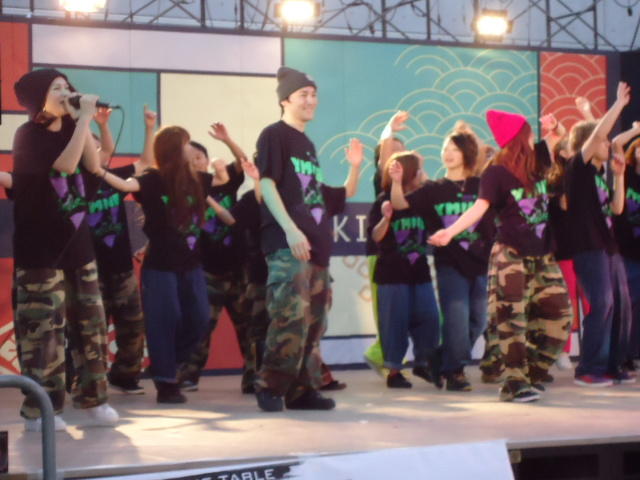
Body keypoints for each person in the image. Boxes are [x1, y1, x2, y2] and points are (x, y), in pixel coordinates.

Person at [430, 109, 572, 403]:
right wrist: (450, 232)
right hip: (511, 254)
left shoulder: (537, 160)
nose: (533, 137)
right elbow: (479, 208)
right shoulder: (495, 172)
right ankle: (513, 383)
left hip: (543, 256)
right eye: (528, 133)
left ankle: (531, 374)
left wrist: (556, 126)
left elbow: (560, 137)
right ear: (518, 138)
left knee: (560, 316)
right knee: (511, 321)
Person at [11, 69, 119, 431]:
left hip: (78, 244)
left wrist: (80, 121)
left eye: (66, 86)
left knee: (92, 325)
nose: (64, 91)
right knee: (44, 332)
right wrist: (83, 119)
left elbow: (92, 165)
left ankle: (94, 399)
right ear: (37, 99)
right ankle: (41, 409)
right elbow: (64, 167)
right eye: (55, 88)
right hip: (40, 248)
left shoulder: (75, 128)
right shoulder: (27, 135)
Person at [253, 66, 362, 412]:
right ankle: (270, 387)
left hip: (317, 249)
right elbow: (267, 182)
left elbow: (336, 194)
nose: (311, 100)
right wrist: (289, 228)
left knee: (314, 324)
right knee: (289, 318)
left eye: (314, 95)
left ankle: (302, 390)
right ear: (285, 100)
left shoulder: (307, 145)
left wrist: (355, 166)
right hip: (289, 246)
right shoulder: (274, 135)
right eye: (304, 95)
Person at [93, 125, 213, 403]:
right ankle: (166, 382)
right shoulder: (152, 179)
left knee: (200, 318)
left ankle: (168, 363)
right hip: (160, 266)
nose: (191, 148)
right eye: (185, 143)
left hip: (192, 265)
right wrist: (97, 169)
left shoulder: (200, 180)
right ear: (173, 148)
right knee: (164, 320)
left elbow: (227, 180)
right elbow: (126, 185)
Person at [390, 130, 495, 391]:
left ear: (467, 153)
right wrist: (396, 182)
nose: (448, 153)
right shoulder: (433, 189)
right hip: (450, 264)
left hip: (482, 262)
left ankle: (439, 357)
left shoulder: (481, 185)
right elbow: (399, 204)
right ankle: (455, 372)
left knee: (479, 319)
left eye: (454, 149)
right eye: (445, 148)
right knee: (456, 317)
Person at [566, 82, 633, 386]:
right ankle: (588, 368)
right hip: (588, 247)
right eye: (604, 141)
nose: (608, 145)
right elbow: (596, 135)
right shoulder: (577, 169)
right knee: (602, 303)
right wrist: (618, 105)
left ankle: (611, 365)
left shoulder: (598, 176)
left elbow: (617, 208)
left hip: (608, 247)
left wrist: (619, 177)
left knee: (619, 306)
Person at [86, 105, 156, 394]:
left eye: (98, 146)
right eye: (90, 147)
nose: (97, 151)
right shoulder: (73, 183)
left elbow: (146, 163)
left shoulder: (113, 178)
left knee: (132, 325)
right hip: (89, 270)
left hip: (122, 267)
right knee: (93, 329)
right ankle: (89, 381)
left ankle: (125, 376)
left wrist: (149, 128)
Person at [369, 152, 440, 389]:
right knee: (394, 323)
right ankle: (394, 371)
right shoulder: (383, 200)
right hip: (391, 275)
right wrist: (386, 218)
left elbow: (436, 227)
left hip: (419, 273)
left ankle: (424, 362)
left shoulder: (423, 200)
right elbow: (376, 236)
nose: (422, 173)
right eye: (419, 169)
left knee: (430, 318)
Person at [616, 129, 640, 370]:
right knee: (628, 303)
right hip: (627, 250)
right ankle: (624, 354)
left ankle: (634, 351)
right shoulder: (626, 175)